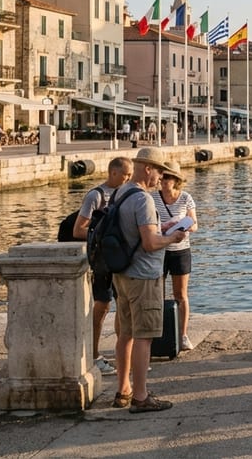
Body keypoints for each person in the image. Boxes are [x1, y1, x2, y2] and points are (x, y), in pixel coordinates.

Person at [113, 147, 186, 413]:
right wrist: (172, 237)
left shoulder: (121, 192)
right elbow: (149, 242)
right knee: (144, 336)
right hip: (144, 276)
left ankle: (123, 389)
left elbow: (135, 233)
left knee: (126, 333)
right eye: (159, 172)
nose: (160, 177)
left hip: (122, 273)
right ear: (147, 169)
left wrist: (161, 230)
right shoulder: (143, 199)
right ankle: (141, 396)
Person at [72, 156, 133, 376]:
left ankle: (122, 354)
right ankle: (94, 354)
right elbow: (78, 230)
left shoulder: (125, 195)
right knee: (102, 306)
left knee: (123, 305)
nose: (128, 178)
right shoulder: (95, 196)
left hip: (119, 259)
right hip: (101, 261)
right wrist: (102, 234)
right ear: (114, 173)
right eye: (126, 174)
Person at [155, 160, 198, 351]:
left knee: (181, 294)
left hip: (180, 250)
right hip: (160, 250)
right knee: (158, 294)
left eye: (168, 177)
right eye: (162, 177)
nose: (164, 181)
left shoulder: (186, 198)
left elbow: (195, 224)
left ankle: (182, 334)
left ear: (176, 180)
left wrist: (184, 224)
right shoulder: (152, 198)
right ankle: (159, 334)